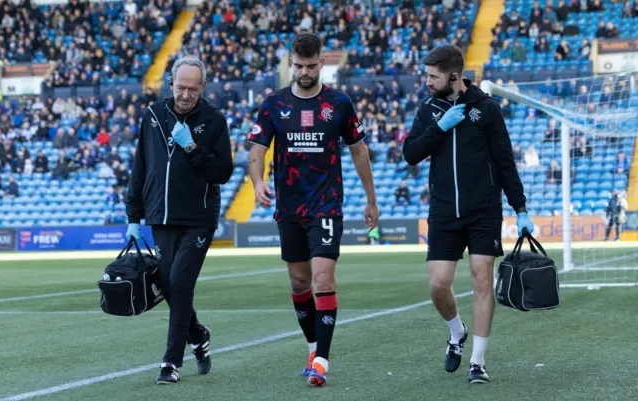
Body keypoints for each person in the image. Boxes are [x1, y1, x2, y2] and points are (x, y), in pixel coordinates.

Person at [247, 32, 378, 387]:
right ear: (292, 62)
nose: (304, 71)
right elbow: (257, 150)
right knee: (299, 281)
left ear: (322, 62)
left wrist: (371, 199)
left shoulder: (339, 103)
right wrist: (258, 183)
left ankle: (322, 360)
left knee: (323, 277)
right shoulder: (273, 103)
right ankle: (312, 346)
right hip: (289, 208)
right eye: (299, 65)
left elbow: (359, 150)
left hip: (326, 205)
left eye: (310, 65)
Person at [402, 45, 534, 384]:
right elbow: (411, 153)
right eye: (427, 75)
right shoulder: (428, 109)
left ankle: (477, 361)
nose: (428, 81)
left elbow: (505, 162)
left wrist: (520, 208)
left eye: (433, 76)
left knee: (480, 278)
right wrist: (440, 127)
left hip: (483, 212)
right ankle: (456, 330)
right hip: (444, 211)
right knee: (437, 285)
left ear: (454, 76)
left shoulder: (486, 109)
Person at [125, 55, 234, 384]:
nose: (186, 94)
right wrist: (134, 216)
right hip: (161, 217)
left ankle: (171, 363)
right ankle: (198, 334)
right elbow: (140, 167)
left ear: (203, 87)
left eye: (193, 88)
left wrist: (193, 148)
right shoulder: (153, 115)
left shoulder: (214, 119)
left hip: (199, 218)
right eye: (180, 87)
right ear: (170, 84)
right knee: (170, 285)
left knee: (181, 283)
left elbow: (223, 172)